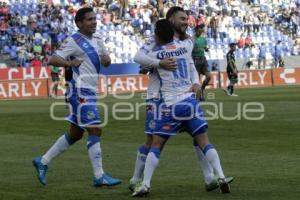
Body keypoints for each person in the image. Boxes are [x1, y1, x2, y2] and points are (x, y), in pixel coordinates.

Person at [130, 7, 232, 195]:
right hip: (161, 98)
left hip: (171, 102)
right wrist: (153, 65)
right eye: (182, 18)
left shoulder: (162, 49)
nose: (186, 22)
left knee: (158, 143)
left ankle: (146, 183)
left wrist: (195, 83)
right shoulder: (185, 44)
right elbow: (143, 65)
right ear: (170, 21)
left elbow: (141, 60)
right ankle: (136, 179)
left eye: (187, 19)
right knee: (161, 139)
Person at [32, 7, 121, 187]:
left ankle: (43, 161)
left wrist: (107, 60)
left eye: (95, 19)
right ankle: (99, 176)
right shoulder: (73, 40)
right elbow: (53, 59)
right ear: (79, 23)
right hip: (79, 91)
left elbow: (106, 61)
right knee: (95, 129)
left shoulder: (97, 38)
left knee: (76, 133)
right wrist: (69, 62)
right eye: (89, 20)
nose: (94, 22)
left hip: (90, 90)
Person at [192, 24, 210, 101]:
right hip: (195, 60)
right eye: (199, 31)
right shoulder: (192, 39)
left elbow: (205, 47)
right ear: (196, 30)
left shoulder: (203, 39)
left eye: (201, 31)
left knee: (208, 76)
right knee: (197, 80)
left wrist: (206, 49)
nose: (200, 32)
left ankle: (202, 90)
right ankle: (198, 96)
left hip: (203, 59)